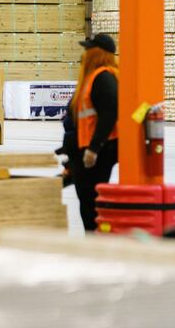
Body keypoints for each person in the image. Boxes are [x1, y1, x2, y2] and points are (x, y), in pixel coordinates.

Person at [66, 33, 119, 232]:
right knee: (86, 200)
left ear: (99, 54)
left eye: (89, 50)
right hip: (83, 149)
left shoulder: (103, 78)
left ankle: (95, 238)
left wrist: (94, 149)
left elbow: (109, 113)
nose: (85, 54)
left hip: (96, 152)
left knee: (90, 201)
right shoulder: (91, 78)